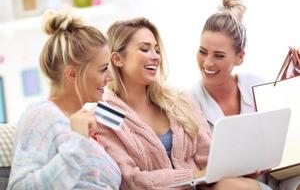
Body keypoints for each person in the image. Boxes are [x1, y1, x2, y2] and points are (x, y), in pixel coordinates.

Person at [95, 16, 264, 190]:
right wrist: (193, 176)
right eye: (145, 49)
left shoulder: (179, 99)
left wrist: (235, 171)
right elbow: (131, 179)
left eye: (157, 50)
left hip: (203, 187)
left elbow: (208, 158)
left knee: (244, 186)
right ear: (117, 59)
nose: (155, 57)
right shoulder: (106, 114)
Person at [189, 0, 300, 190]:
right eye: (203, 51)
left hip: (278, 179)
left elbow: (285, 144)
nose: (207, 63)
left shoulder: (258, 86)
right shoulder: (189, 101)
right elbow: (195, 170)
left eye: (219, 55)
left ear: (239, 57)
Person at [7, 10, 121, 190]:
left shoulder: (83, 122)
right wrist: (78, 143)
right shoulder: (40, 115)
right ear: (72, 73)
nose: (111, 77)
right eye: (103, 69)